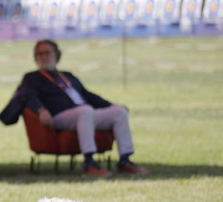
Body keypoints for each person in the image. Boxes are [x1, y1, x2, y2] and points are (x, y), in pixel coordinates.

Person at [19, 39, 147, 177]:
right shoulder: (32, 77)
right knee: (85, 111)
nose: (43, 57)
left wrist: (112, 105)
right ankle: (89, 164)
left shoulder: (67, 76)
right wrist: (41, 110)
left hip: (86, 114)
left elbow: (89, 96)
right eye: (40, 54)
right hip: (59, 117)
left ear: (57, 54)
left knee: (119, 112)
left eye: (47, 53)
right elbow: (29, 96)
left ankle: (125, 161)